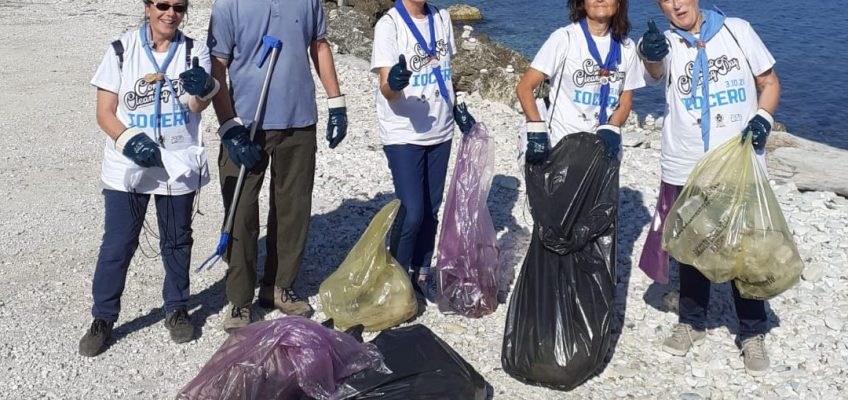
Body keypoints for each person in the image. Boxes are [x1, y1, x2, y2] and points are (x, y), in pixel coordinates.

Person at [638, 0, 781, 376]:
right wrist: (650, 54)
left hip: (738, 161)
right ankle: (692, 322)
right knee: (692, 246)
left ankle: (752, 332)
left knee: (744, 248)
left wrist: (764, 118)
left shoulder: (738, 30)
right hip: (685, 161)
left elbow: (768, 83)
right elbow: (653, 72)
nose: (675, 4)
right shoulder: (664, 43)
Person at [80, 0, 217, 356]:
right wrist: (129, 140)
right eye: (162, 5)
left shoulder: (193, 50)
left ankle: (176, 308)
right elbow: (105, 112)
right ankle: (103, 318)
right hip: (128, 166)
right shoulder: (121, 49)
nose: (170, 13)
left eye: (179, 7)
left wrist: (204, 90)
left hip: (176, 162)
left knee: (176, 240)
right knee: (118, 244)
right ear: (147, 7)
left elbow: (195, 105)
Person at [208, 0, 348, 331]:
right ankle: (240, 300)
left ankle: (279, 287)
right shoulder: (229, 4)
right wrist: (228, 125)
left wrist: (337, 102)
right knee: (240, 213)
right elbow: (217, 66)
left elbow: (319, 45)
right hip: (246, 124)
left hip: (299, 121)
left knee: (293, 209)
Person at [371, 0, 476, 302]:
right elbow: (387, 90)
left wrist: (456, 108)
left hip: (440, 129)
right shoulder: (389, 25)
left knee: (431, 208)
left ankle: (422, 272)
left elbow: (444, 70)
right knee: (412, 210)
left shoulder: (441, 18)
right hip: (404, 131)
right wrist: (394, 83)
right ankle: (396, 280)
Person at [516, 0, 644, 165]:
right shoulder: (564, 38)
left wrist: (612, 127)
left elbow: (625, 101)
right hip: (561, 148)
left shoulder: (627, 47)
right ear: (582, 3)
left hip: (604, 151)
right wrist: (536, 131)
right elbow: (524, 87)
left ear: (619, 3)